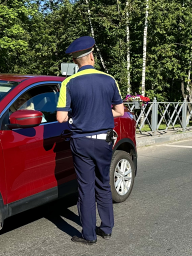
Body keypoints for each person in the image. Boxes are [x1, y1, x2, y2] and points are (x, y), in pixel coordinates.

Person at [56, 36, 125, 245]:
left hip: (81, 141)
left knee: (86, 187)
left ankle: (89, 235)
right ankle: (106, 228)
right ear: (92, 56)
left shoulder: (68, 82)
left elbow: (61, 118)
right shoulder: (109, 79)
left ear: (76, 61)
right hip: (104, 140)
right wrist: (100, 114)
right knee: (103, 183)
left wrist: (78, 116)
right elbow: (119, 111)